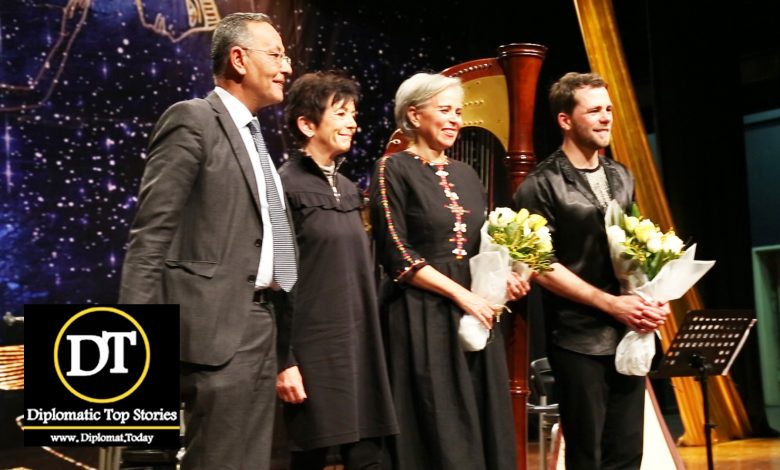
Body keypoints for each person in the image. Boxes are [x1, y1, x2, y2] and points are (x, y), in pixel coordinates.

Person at [119, 12, 295, 470]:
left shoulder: (257, 139)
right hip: (214, 333)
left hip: (260, 326)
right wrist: (139, 342)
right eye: (275, 54)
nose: (287, 66)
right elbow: (150, 236)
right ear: (238, 59)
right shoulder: (193, 120)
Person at [369, 72, 530, 470]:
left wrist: (504, 276)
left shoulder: (467, 174)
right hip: (423, 313)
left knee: (482, 416)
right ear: (413, 114)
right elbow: (397, 254)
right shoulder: (393, 169)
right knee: (439, 425)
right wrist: (462, 295)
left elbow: (481, 247)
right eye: (444, 110)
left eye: (458, 111)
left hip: (475, 312)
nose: (456, 119)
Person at [513, 72, 668, 470]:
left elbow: (636, 248)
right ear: (565, 120)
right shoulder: (541, 184)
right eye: (594, 110)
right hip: (578, 338)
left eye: (609, 109)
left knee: (628, 453)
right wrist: (609, 303)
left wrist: (651, 296)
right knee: (588, 456)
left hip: (628, 332)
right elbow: (539, 264)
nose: (605, 118)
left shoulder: (621, 175)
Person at [275, 71, 399, 469]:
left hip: (358, 344)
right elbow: (277, 279)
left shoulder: (347, 188)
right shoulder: (285, 186)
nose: (353, 123)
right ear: (307, 124)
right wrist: (285, 359)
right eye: (341, 113)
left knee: (368, 454)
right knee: (309, 454)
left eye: (354, 114)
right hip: (312, 349)